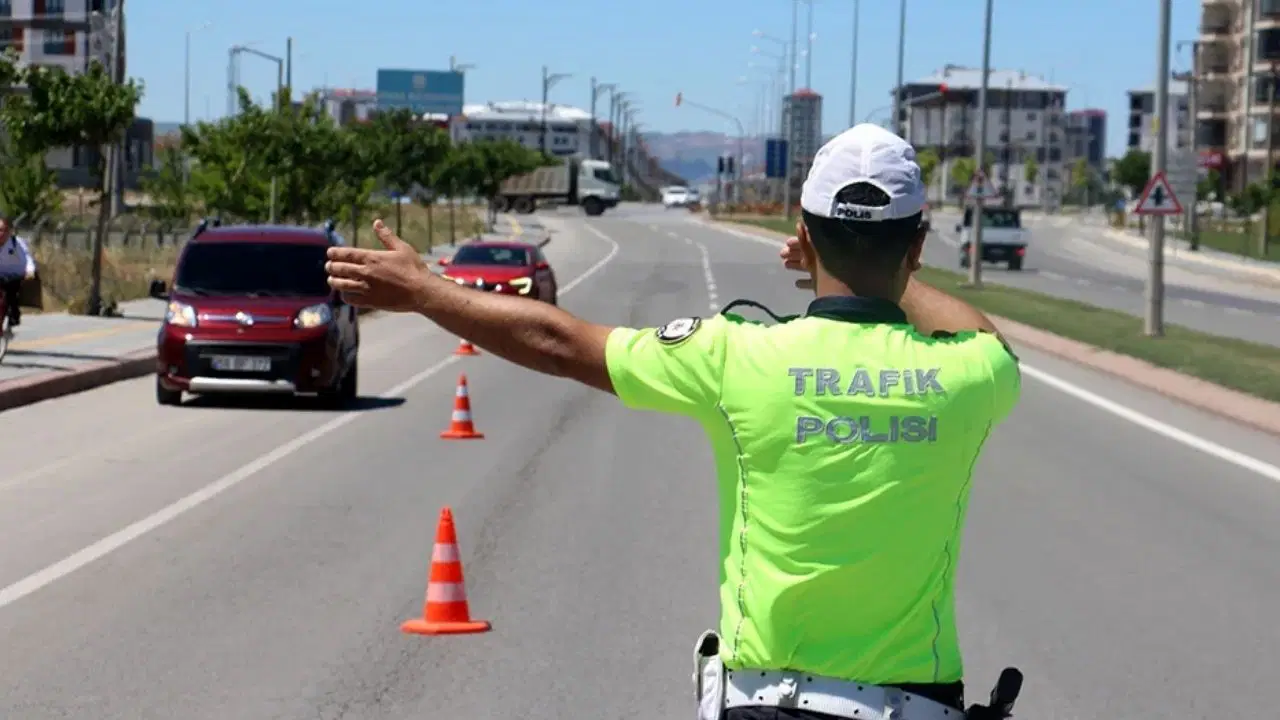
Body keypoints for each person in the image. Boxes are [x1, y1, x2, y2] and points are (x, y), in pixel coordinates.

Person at [324, 123, 1022, 720]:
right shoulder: (969, 375)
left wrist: (425, 291)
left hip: (767, 704)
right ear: (919, 245)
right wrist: (880, 269)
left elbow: (562, 343)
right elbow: (980, 332)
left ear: (802, 234)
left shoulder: (736, 356)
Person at [0, 216, 36, 328]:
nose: (1, 233)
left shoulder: (17, 243)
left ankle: (14, 314)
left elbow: (27, 258)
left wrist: (30, 271)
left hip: (15, 275)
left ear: (10, 231)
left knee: (11, 293)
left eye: (4, 230)